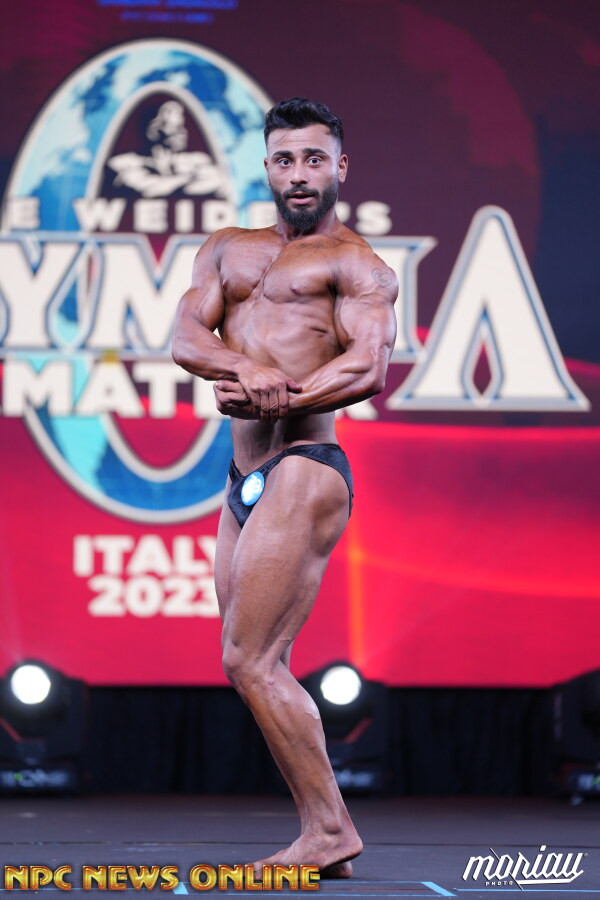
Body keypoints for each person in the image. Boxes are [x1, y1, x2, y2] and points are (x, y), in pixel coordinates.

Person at [172, 97, 398, 877]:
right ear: (266, 168)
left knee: (251, 658)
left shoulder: (356, 265)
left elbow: (367, 366)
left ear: (340, 167)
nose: (299, 173)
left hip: (305, 464)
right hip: (243, 477)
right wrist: (244, 367)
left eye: (313, 159)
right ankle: (326, 829)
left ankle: (329, 831)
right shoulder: (227, 250)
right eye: (284, 159)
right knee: (249, 661)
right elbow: (185, 335)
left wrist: (280, 398)